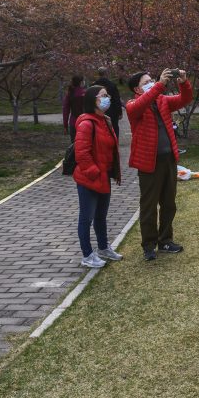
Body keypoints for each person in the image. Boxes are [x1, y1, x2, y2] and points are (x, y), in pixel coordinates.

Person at [126, 68, 192, 259]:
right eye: (146, 82)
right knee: (149, 205)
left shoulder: (161, 100)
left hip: (168, 160)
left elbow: (184, 99)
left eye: (152, 80)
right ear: (136, 89)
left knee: (169, 203)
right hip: (148, 163)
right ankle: (148, 245)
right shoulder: (133, 104)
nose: (151, 83)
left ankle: (165, 241)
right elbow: (140, 105)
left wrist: (183, 82)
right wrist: (159, 85)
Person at [72, 85, 123, 268]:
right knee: (86, 218)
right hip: (89, 179)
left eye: (107, 95)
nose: (107, 98)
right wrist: (95, 173)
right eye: (103, 96)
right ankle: (87, 255)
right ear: (93, 100)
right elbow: (82, 154)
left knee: (101, 216)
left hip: (103, 177)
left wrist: (111, 172)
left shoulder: (105, 120)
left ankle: (103, 248)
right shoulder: (87, 124)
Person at [92, 67, 124, 140]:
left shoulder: (94, 85)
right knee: (114, 128)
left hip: (98, 111)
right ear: (107, 73)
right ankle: (115, 144)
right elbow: (116, 99)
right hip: (112, 111)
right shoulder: (112, 85)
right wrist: (119, 112)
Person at [62, 75, 86, 142]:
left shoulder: (70, 94)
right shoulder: (85, 93)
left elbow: (65, 111)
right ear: (81, 82)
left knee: (74, 145)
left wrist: (65, 125)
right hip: (85, 122)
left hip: (74, 122)